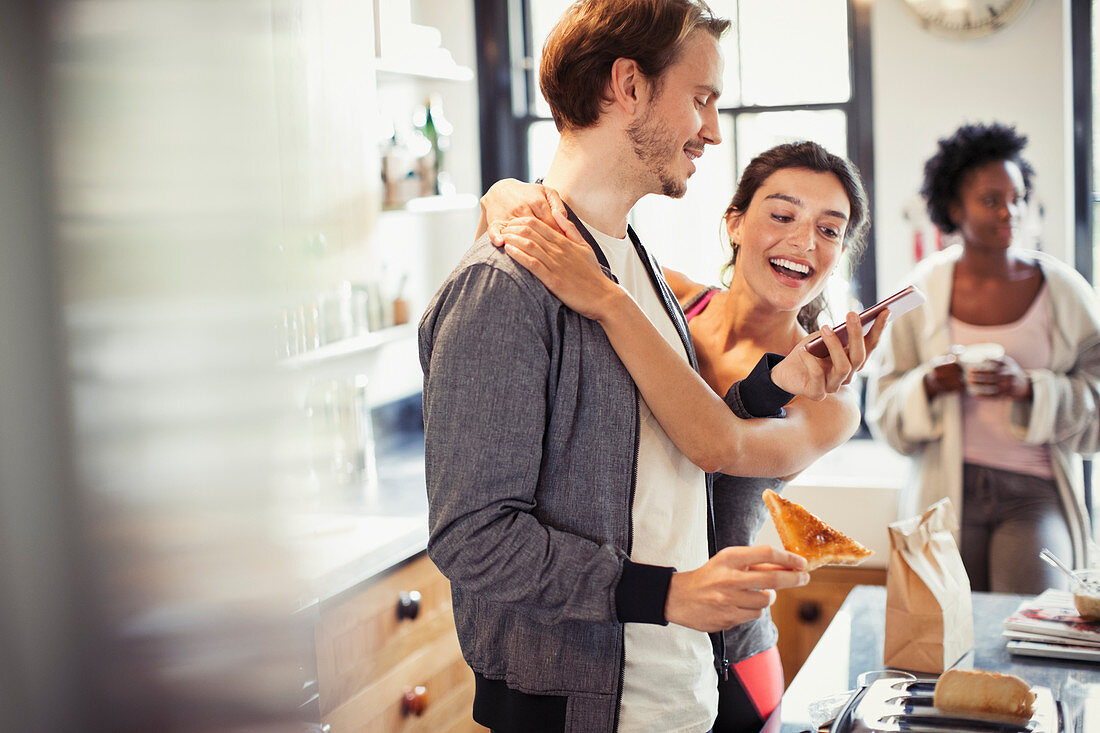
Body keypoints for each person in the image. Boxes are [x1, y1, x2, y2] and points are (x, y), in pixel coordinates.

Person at [419, 2, 884, 730]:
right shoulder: (508, 287)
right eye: (701, 99)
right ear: (629, 86)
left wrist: (774, 384)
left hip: (682, 691)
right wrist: (664, 593)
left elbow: (691, 438)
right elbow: (471, 538)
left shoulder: (635, 278)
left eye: (831, 228)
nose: (712, 129)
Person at [482, 141, 872, 732]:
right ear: (735, 223)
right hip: (615, 635)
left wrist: (607, 301)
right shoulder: (671, 304)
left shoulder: (829, 399)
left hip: (728, 657)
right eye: (783, 215)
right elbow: (526, 228)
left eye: (829, 230)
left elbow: (718, 447)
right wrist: (505, 194)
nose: (804, 243)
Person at [866, 122, 1100, 594]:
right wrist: (929, 383)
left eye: (1017, 198)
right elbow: (883, 408)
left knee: (1030, 627)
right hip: (944, 494)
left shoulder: (1065, 291)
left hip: (1035, 494)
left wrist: (1030, 388)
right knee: (948, 638)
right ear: (954, 207)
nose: (1009, 212)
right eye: (991, 200)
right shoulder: (918, 293)